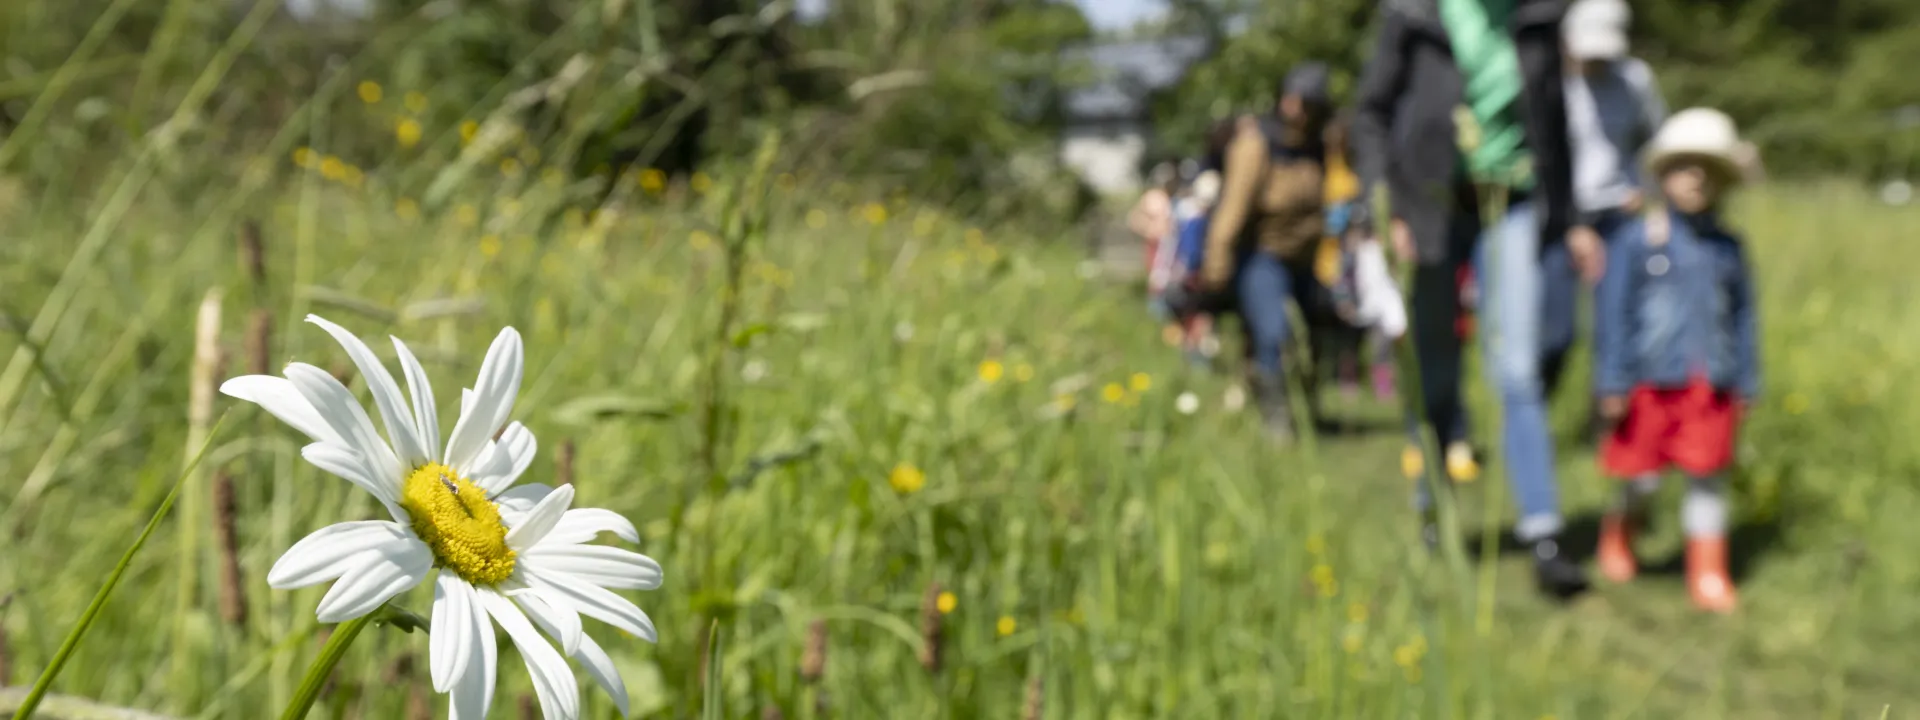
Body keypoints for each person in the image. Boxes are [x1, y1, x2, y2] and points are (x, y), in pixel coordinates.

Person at [1351, 0, 1602, 596]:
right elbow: (1369, 115)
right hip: (1427, 208)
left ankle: (1543, 533)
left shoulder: (1538, 17)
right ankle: (1432, 512)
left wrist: (1571, 219)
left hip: (1509, 205)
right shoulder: (1415, 15)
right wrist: (1385, 207)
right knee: (1435, 369)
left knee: (1517, 370)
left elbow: (1553, 120)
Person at [1592, 108, 1758, 613]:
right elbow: (1613, 315)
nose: (1695, 179)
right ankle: (1619, 535)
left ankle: (1707, 571)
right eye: (1685, 166)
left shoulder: (1729, 249)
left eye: (1708, 170)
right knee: (1641, 476)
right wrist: (1613, 381)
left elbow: (1745, 318)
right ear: (1663, 174)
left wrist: (1747, 380)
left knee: (1707, 478)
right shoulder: (1636, 241)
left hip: (1711, 384)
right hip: (1648, 381)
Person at [1197, 62, 1335, 444]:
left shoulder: (1319, 148)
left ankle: (1305, 409)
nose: (1295, 108)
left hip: (1305, 261)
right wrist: (1216, 265)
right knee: (1274, 332)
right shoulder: (1256, 145)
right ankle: (1276, 421)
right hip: (1262, 255)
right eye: (1291, 99)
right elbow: (1232, 209)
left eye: (1305, 102)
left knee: (1309, 337)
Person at [1541, 0, 1668, 402]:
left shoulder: (1635, 80)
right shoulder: (1550, 82)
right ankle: (1534, 411)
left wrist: (1647, 192)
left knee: (1614, 324)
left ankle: (1610, 426)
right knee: (1557, 331)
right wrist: (1571, 223)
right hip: (1561, 216)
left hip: (1618, 216)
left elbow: (1660, 143)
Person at [1131, 162, 1179, 321]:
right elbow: (1135, 219)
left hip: (1169, 243)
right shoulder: (1152, 197)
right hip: (1155, 242)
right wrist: (1149, 229)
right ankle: (1156, 313)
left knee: (1169, 277)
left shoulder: (1173, 198)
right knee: (1156, 277)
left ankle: (1166, 312)